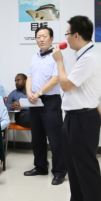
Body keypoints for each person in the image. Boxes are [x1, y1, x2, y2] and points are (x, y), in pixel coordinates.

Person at [52, 16, 101, 201]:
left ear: (76, 35)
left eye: (67, 34)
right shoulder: (84, 56)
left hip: (83, 120)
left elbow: (66, 85)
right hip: (74, 117)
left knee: (87, 170)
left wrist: (59, 61)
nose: (66, 38)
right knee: (74, 168)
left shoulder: (89, 58)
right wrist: (100, 111)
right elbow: (88, 90)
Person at [25, 26, 67, 186]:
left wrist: (39, 92)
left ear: (52, 38)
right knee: (37, 137)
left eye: (44, 36)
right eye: (38, 37)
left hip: (50, 101)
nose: (41, 39)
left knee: (56, 139)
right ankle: (40, 166)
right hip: (34, 101)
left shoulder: (57, 56)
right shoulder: (34, 57)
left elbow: (56, 79)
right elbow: (29, 76)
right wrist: (29, 92)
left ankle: (60, 171)